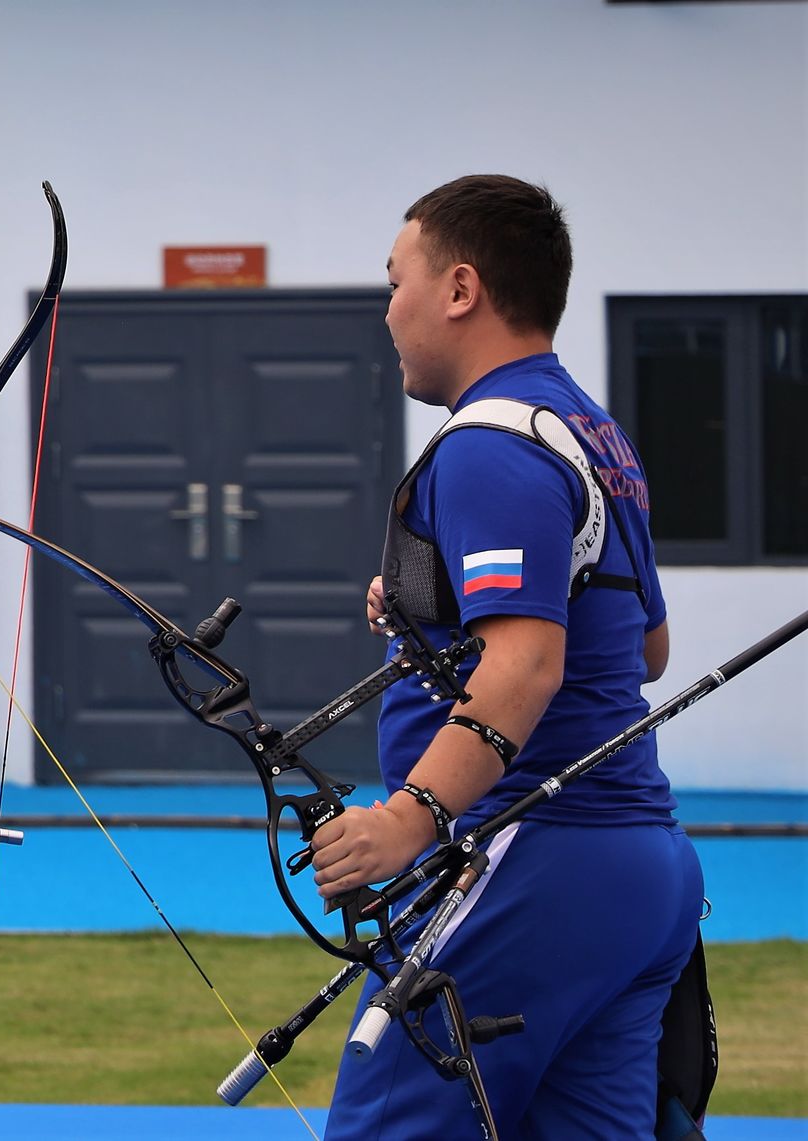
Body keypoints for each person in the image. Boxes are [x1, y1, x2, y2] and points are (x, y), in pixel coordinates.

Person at [309, 176, 703, 1138]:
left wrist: (409, 818)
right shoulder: (592, 433)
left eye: (395, 280)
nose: (388, 310)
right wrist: (436, 607)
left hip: (527, 852)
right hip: (639, 871)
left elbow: (527, 665)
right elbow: (643, 647)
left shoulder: (488, 445)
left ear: (459, 288)